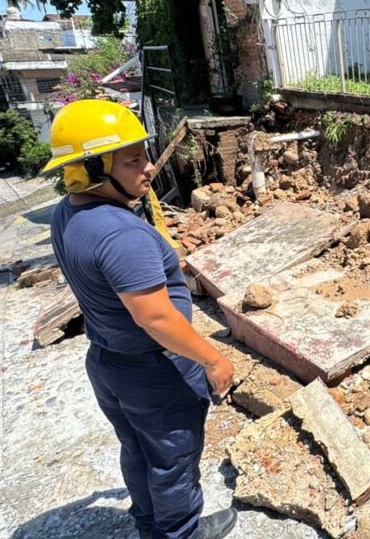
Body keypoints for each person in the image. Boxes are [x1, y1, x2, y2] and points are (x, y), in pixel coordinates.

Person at [41, 100, 238, 539]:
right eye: (133, 161)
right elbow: (155, 317)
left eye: (144, 155)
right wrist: (211, 359)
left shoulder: (68, 214)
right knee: (172, 459)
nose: (148, 168)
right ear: (92, 168)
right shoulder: (120, 234)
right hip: (154, 370)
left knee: (138, 449)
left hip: (109, 364)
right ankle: (182, 532)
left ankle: (150, 526)